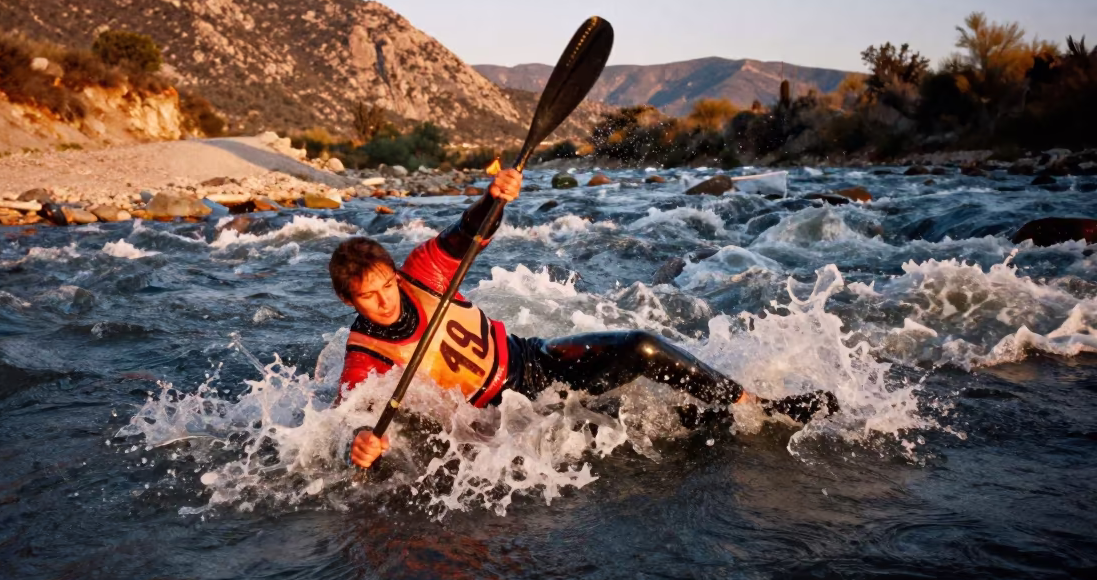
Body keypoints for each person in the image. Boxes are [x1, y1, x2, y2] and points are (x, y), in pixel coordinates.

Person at [331, 168, 838, 468]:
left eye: (386, 286)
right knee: (615, 428)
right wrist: (364, 444)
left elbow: (467, 233)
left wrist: (493, 197)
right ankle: (702, 421)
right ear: (350, 303)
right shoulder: (363, 358)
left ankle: (758, 405)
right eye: (368, 298)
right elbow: (355, 424)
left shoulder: (424, 272)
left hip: (533, 361)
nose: (385, 301)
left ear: (395, 274)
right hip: (503, 418)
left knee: (639, 347)